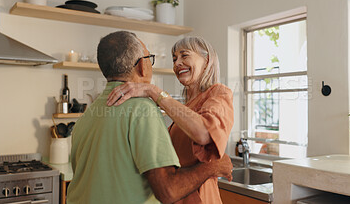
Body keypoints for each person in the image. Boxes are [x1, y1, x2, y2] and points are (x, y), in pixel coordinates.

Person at [66, 31, 233, 204]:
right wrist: (214, 166)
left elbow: (204, 133)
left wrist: (152, 91)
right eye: (174, 58)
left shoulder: (89, 114)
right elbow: (166, 187)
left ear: (207, 61)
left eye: (184, 55)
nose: (177, 63)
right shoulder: (149, 109)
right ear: (141, 66)